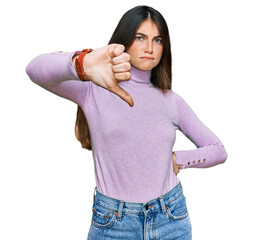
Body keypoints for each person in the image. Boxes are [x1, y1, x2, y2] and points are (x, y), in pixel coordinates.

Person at [25, 5, 228, 240]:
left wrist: (177, 160)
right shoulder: (92, 89)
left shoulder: (171, 101)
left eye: (158, 40)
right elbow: (34, 70)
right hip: (113, 223)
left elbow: (218, 150)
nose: (150, 48)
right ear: (124, 40)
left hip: (170, 217)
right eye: (140, 37)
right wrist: (84, 63)